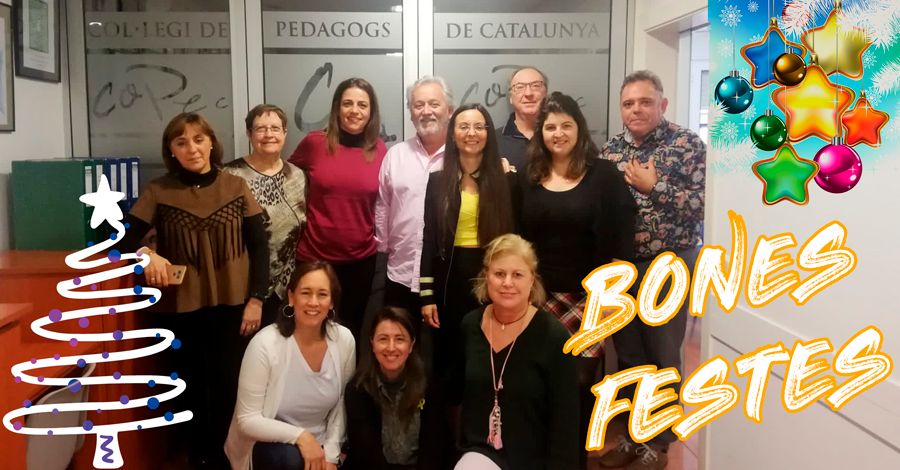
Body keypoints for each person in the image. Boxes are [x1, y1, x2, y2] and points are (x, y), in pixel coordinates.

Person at [119, 112, 269, 467]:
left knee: (226, 383)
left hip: (231, 305)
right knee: (186, 383)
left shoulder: (235, 186)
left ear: (212, 143)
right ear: (171, 150)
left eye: (199, 139)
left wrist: (257, 299)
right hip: (179, 308)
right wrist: (146, 254)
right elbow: (123, 240)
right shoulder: (158, 190)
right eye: (181, 142)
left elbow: (260, 246)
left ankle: (224, 456)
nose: (192, 148)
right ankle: (196, 456)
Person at [517, 91, 636, 467]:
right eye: (550, 127)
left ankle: (575, 458)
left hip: (591, 297)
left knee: (581, 380)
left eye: (566, 125)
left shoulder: (603, 175)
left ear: (579, 129)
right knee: (541, 377)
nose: (558, 133)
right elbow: (518, 235)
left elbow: (623, 232)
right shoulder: (529, 176)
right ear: (541, 133)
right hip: (539, 296)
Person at [598, 70, 706, 470]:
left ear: (662, 104)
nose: (636, 110)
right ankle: (632, 437)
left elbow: (705, 204)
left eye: (645, 102)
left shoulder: (687, 145)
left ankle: (657, 446)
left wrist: (654, 187)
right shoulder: (610, 151)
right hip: (623, 267)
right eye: (629, 103)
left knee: (662, 355)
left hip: (670, 263)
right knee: (629, 355)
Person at [454, 234, 578, 470]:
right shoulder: (470, 325)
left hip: (535, 460)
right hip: (481, 453)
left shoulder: (554, 337)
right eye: (499, 274)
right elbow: (455, 395)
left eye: (517, 275)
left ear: (532, 279)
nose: (507, 283)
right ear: (486, 276)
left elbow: (566, 423)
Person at [225, 261, 356, 470]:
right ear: (291, 297)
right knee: (291, 460)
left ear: (332, 302)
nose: (313, 302)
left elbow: (342, 405)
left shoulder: (344, 340)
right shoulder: (265, 344)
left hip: (321, 444)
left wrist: (331, 457)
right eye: (306, 293)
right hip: (269, 444)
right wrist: (301, 437)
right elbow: (247, 420)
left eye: (322, 294)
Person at [419, 103, 514, 377]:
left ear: (488, 133)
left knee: (488, 359)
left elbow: (516, 238)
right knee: (450, 361)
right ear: (452, 134)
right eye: (464, 126)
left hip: (490, 275)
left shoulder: (506, 181)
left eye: (479, 127)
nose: (471, 133)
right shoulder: (438, 182)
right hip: (450, 277)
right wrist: (427, 295)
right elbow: (428, 238)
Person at [289, 77, 388, 341]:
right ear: (337, 108)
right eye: (347, 103)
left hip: (361, 261)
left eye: (362, 105)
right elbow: (285, 180)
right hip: (314, 259)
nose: (355, 111)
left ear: (371, 111)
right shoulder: (314, 144)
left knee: (349, 335)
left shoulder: (379, 150)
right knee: (309, 331)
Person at [375, 76, 454, 317]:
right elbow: (383, 206)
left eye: (434, 104)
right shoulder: (395, 155)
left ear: (450, 110)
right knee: (397, 339)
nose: (426, 111)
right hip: (399, 273)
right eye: (418, 105)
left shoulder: (462, 157)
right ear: (410, 113)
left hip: (447, 278)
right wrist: (383, 253)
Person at [225, 104, 307, 329]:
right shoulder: (230, 176)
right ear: (249, 134)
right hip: (242, 287)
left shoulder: (298, 177)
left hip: (286, 288)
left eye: (275, 128)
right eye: (260, 129)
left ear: (285, 133)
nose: (269, 134)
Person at [344, 307, 454, 470]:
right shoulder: (357, 389)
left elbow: (433, 450)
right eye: (383, 339)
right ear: (372, 343)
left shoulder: (431, 386)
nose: (391, 347)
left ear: (411, 345)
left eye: (399, 339)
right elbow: (365, 453)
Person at [497, 67, 548, 172]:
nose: (528, 93)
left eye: (536, 86)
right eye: (520, 87)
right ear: (511, 97)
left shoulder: (559, 137)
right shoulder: (493, 141)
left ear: (546, 93)